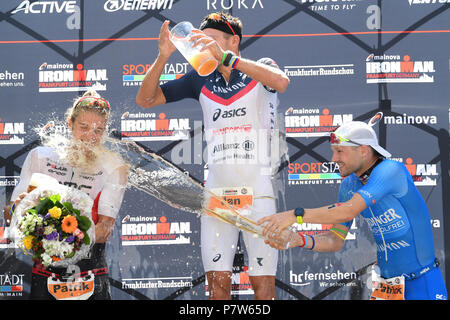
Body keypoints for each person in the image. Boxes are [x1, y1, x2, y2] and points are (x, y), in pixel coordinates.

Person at [136, 12, 290, 300]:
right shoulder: (200, 78)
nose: (203, 45)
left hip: (258, 191)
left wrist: (229, 59)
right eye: (200, 39)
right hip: (218, 192)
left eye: (212, 39)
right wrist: (163, 56)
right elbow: (145, 99)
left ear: (234, 40)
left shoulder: (260, 67)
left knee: (263, 287)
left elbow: (281, 82)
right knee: (218, 286)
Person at [258, 119, 448, 300]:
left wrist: (295, 215)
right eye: (333, 152)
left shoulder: (391, 171)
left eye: (340, 151)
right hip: (388, 286)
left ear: (364, 151)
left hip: (422, 283)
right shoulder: (349, 185)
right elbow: (335, 240)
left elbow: (347, 211)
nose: (334, 158)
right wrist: (299, 239)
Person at [3, 90, 128, 300]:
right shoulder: (41, 157)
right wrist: (20, 214)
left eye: (98, 130)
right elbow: (10, 214)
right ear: (70, 123)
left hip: (90, 273)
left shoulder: (114, 166)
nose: (90, 136)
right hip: (46, 273)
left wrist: (64, 242)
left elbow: (105, 228)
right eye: (84, 127)